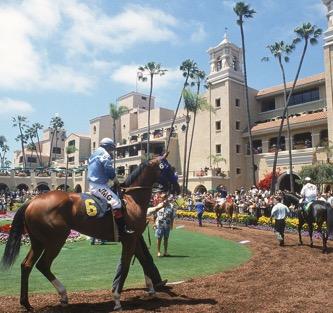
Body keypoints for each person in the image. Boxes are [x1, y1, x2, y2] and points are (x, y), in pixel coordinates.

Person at [87, 137, 134, 235]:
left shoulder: (95, 153)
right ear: (108, 147)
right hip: (98, 186)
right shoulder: (104, 154)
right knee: (116, 203)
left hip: (96, 184)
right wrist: (115, 179)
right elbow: (108, 168)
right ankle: (122, 230)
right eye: (112, 149)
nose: (112, 151)